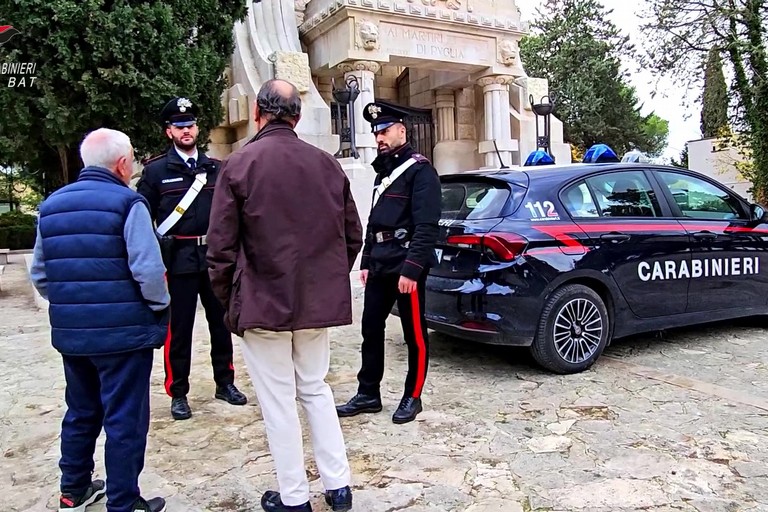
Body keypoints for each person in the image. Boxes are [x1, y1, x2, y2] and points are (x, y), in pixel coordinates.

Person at [207, 79, 363, 512]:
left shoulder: (238, 165)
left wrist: (231, 298)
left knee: (279, 402)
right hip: (311, 302)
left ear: (259, 113)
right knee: (315, 389)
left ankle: (295, 497)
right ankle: (338, 486)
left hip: (261, 300)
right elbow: (353, 236)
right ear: (296, 116)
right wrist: (323, 282)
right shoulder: (326, 165)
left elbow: (219, 249)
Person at [30, 128, 170, 512]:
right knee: (125, 421)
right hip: (124, 336)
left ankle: (72, 489)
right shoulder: (129, 203)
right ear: (123, 163)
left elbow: (40, 274)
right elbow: (149, 271)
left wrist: (73, 306)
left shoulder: (52, 205)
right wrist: (159, 308)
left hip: (73, 335)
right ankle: (123, 502)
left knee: (80, 411)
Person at [136, 96, 247, 420]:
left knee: (220, 323)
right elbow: (142, 219)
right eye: (179, 127)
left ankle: (225, 382)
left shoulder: (215, 169)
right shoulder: (156, 172)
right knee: (179, 329)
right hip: (178, 260)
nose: (186, 131)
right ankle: (178, 391)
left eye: (191, 125)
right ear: (169, 131)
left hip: (213, 258)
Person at [335, 100, 442, 424]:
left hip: (405, 266)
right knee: (370, 328)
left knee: (414, 335)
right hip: (380, 263)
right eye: (375, 132)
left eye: (384, 130)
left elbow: (426, 226)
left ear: (401, 130)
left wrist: (412, 270)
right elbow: (375, 221)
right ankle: (369, 393)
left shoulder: (420, 170)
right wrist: (366, 260)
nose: (379, 137)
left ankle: (413, 396)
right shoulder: (383, 171)